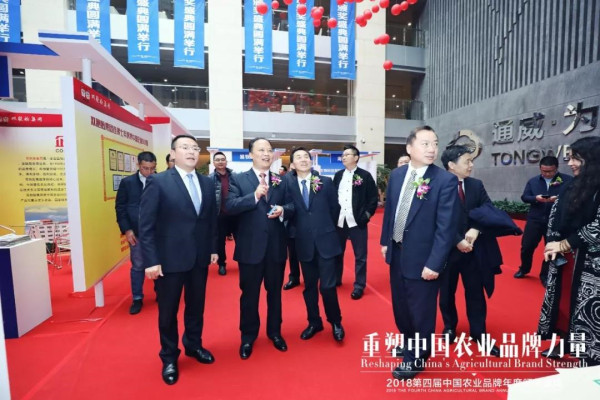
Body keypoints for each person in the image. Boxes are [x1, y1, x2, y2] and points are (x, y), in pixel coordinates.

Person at [380, 126, 459, 380]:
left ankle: (416, 356)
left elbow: (446, 228)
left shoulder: (445, 180)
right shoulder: (397, 175)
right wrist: (385, 242)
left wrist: (435, 263)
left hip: (425, 258)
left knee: (421, 311)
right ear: (409, 148)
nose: (432, 149)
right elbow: (390, 212)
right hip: (398, 252)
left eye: (434, 143)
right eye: (425, 143)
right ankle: (409, 343)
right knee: (401, 307)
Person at [139, 135, 218, 385]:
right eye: (185, 147)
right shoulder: (158, 181)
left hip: (199, 258)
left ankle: (194, 345)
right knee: (168, 311)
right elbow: (146, 226)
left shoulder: (206, 183)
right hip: (169, 260)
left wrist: (213, 248)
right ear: (173, 153)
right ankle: (169, 356)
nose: (192, 152)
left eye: (195, 148)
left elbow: (210, 220)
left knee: (196, 307)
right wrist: (151, 260)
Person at [225, 138, 294, 360]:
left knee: (275, 294)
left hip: (275, 248)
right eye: (261, 150)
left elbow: (293, 205)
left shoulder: (280, 180)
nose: (266, 154)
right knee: (249, 296)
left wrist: (283, 210)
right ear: (250, 154)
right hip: (250, 249)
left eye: (269, 150)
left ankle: (275, 332)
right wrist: (254, 196)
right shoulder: (238, 179)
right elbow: (229, 206)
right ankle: (248, 336)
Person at [438, 145, 509, 357]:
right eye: (467, 161)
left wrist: (476, 229)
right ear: (451, 165)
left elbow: (488, 209)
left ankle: (479, 333)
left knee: (476, 292)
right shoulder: (437, 185)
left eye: (471, 161)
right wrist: (457, 240)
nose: (471, 165)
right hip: (448, 251)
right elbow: (436, 219)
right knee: (447, 292)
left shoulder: (476, 185)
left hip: (474, 250)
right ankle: (449, 326)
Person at [538, 136, 600, 367]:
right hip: (567, 261)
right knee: (564, 304)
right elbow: (555, 215)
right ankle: (567, 342)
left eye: (576, 159)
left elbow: (598, 226)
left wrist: (565, 244)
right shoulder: (572, 185)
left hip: (591, 263)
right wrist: (552, 241)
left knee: (587, 309)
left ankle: (590, 355)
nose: (570, 163)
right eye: (571, 158)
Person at [286, 147, 345, 342]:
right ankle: (314, 322)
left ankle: (335, 321)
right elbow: (289, 210)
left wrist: (325, 228)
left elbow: (335, 208)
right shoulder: (288, 185)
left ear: (311, 162)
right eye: (299, 157)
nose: (303, 159)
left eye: (306, 157)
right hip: (303, 243)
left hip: (326, 241)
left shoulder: (325, 182)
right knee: (309, 287)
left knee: (328, 286)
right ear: (292, 164)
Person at [514, 156, 572, 284]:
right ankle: (524, 268)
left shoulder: (567, 180)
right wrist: (536, 198)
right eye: (544, 171)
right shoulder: (533, 181)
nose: (547, 174)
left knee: (550, 248)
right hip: (535, 219)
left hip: (555, 221)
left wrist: (559, 200)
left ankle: (545, 274)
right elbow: (525, 197)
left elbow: (573, 198)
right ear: (540, 168)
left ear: (556, 168)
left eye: (550, 171)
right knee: (527, 246)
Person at [333, 144, 378, 299]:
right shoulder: (338, 175)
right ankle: (336, 279)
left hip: (357, 222)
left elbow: (373, 199)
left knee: (360, 256)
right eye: (343, 155)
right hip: (340, 221)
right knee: (337, 253)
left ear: (356, 157)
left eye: (347, 154)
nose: (343, 157)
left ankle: (359, 285)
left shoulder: (365, 176)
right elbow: (333, 197)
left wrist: (366, 216)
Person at [115, 151, 157, 315]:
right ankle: (137, 298)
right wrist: (127, 229)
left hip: (157, 231)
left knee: (160, 262)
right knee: (138, 265)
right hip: (136, 231)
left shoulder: (161, 180)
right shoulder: (128, 183)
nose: (149, 172)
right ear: (138, 165)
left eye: (152, 168)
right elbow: (120, 208)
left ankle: (161, 293)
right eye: (145, 168)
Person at [209, 152, 237, 276]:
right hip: (220, 214)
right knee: (220, 241)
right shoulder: (210, 179)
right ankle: (222, 264)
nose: (220, 162)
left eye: (222, 159)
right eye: (217, 160)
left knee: (241, 238)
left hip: (235, 213)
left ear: (226, 162)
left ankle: (243, 261)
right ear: (214, 163)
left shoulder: (235, 176)